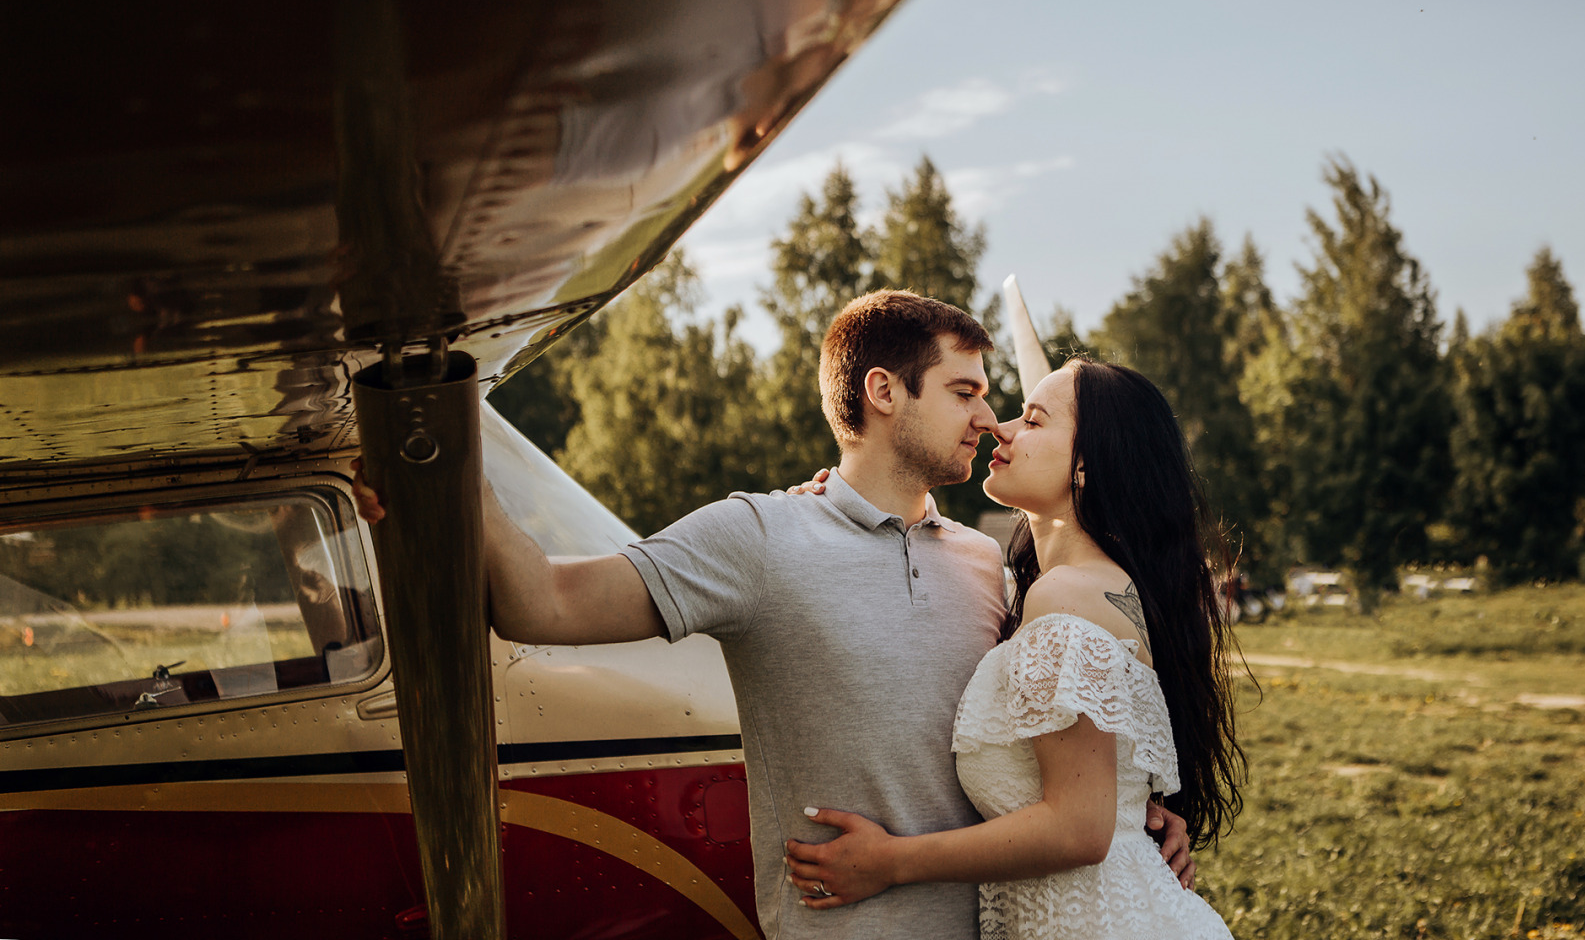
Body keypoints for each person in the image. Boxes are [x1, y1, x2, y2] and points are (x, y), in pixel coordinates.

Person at [353, 291, 1194, 939]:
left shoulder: (991, 565)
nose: (989, 418)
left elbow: (1066, 738)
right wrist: (442, 468)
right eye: (966, 391)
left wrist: (1138, 815)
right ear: (882, 392)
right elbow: (542, 602)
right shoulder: (758, 537)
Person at [783, 357, 1244, 939]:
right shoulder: (1099, 587)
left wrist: (888, 863)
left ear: (1085, 467)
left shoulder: (1066, 596)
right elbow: (1105, 790)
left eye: (1032, 420)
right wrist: (830, 507)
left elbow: (1078, 830)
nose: (999, 427)